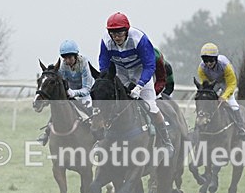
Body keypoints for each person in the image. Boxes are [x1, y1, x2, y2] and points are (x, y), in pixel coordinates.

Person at [98, 12, 174, 155]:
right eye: (113, 34)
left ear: (126, 31)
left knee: (151, 106)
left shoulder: (139, 39)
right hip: (121, 72)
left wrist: (139, 86)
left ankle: (166, 141)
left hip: (141, 72)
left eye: (120, 33)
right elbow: (103, 63)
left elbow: (150, 65)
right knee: (111, 105)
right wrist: (105, 79)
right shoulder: (105, 41)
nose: (116, 37)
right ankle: (101, 141)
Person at [38, 39, 94, 146]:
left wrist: (74, 93)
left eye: (70, 58)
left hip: (85, 94)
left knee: (90, 113)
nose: (67, 61)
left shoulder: (84, 64)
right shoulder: (63, 65)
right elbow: (61, 81)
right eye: (65, 58)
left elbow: (87, 88)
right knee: (59, 109)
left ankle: (98, 137)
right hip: (69, 93)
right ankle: (47, 132)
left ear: (76, 56)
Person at [196, 42, 245, 140]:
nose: (208, 63)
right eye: (205, 61)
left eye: (211, 61)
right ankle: (198, 127)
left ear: (215, 59)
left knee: (233, 104)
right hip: (213, 83)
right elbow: (206, 85)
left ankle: (241, 127)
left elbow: (232, 84)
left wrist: (224, 96)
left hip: (226, 83)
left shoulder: (225, 66)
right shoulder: (201, 68)